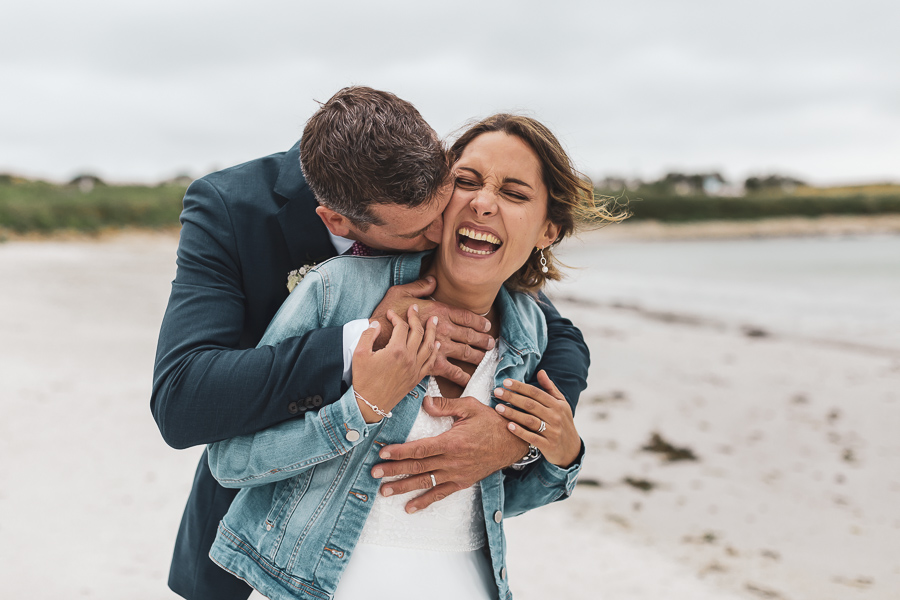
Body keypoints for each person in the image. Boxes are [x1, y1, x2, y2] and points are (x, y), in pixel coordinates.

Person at [151, 88, 592, 600]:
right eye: (421, 228)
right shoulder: (237, 213)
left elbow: (556, 335)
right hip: (267, 552)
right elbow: (184, 400)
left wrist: (522, 434)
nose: (445, 227)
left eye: (444, 200)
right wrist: (366, 339)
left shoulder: (411, 168)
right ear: (337, 222)